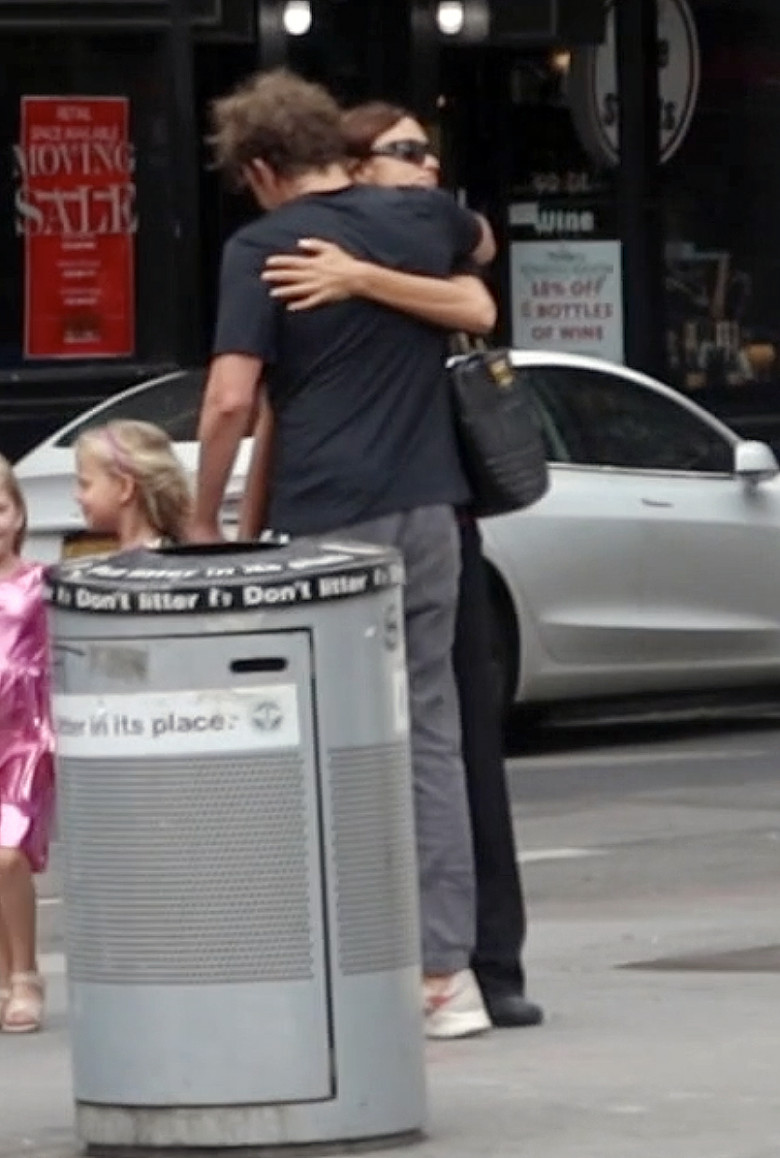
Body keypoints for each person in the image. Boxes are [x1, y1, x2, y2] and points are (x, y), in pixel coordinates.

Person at [192, 69, 495, 1039]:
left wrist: (202, 519)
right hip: (432, 508)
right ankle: (449, 976)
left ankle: (340, 960)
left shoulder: (261, 246)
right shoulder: (423, 216)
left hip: (331, 517)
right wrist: (401, 247)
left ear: (261, 167)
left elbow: (233, 400)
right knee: (431, 739)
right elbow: (480, 256)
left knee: (325, 740)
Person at [257, 102, 543, 1029]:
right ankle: (394, 957)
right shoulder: (311, 244)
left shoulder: (413, 237)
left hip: (432, 509)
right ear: (350, 165)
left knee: (448, 736)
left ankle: (476, 961)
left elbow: (478, 296)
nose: (426, 166)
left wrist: (362, 277)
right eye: (405, 151)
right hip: (366, 501)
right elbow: (268, 406)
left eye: (431, 151)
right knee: (377, 736)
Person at [0, 454, 55, 1034]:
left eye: (0, 508)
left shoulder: (39, 584)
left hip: (24, 735)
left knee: (8, 854)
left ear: (18, 514)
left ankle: (26, 975)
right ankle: (4, 972)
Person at [75, 420, 191, 550]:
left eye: (85, 485)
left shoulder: (153, 565)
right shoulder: (174, 554)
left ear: (125, 487)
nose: (77, 496)